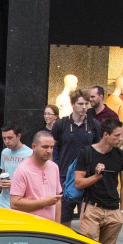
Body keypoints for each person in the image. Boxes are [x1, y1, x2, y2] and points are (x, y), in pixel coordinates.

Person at [74, 118, 123, 244]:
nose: (120, 138)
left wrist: (122, 211)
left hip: (113, 210)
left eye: (121, 135)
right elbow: (78, 182)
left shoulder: (121, 156)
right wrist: (96, 176)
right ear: (106, 135)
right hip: (92, 208)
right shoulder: (86, 152)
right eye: (117, 135)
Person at [51, 90, 101, 224]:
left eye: (86, 104)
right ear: (73, 104)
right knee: (63, 218)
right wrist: (55, 167)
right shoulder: (61, 124)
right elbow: (53, 148)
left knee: (87, 219)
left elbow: (98, 148)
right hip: (65, 176)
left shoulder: (93, 124)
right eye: (80, 104)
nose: (84, 107)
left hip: (87, 176)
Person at [10, 131, 62, 222]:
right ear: (34, 147)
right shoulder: (22, 170)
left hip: (51, 228)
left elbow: (57, 200)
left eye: (52, 147)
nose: (49, 151)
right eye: (45, 147)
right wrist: (45, 202)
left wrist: (58, 226)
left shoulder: (54, 167)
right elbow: (14, 203)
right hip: (30, 230)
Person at [0, 125, 32, 209]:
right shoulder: (5, 152)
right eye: (4, 138)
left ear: (19, 136)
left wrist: (15, 184)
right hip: (3, 202)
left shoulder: (30, 154)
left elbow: (34, 182)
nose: (6, 141)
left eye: (10, 138)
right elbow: (3, 174)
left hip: (20, 203)